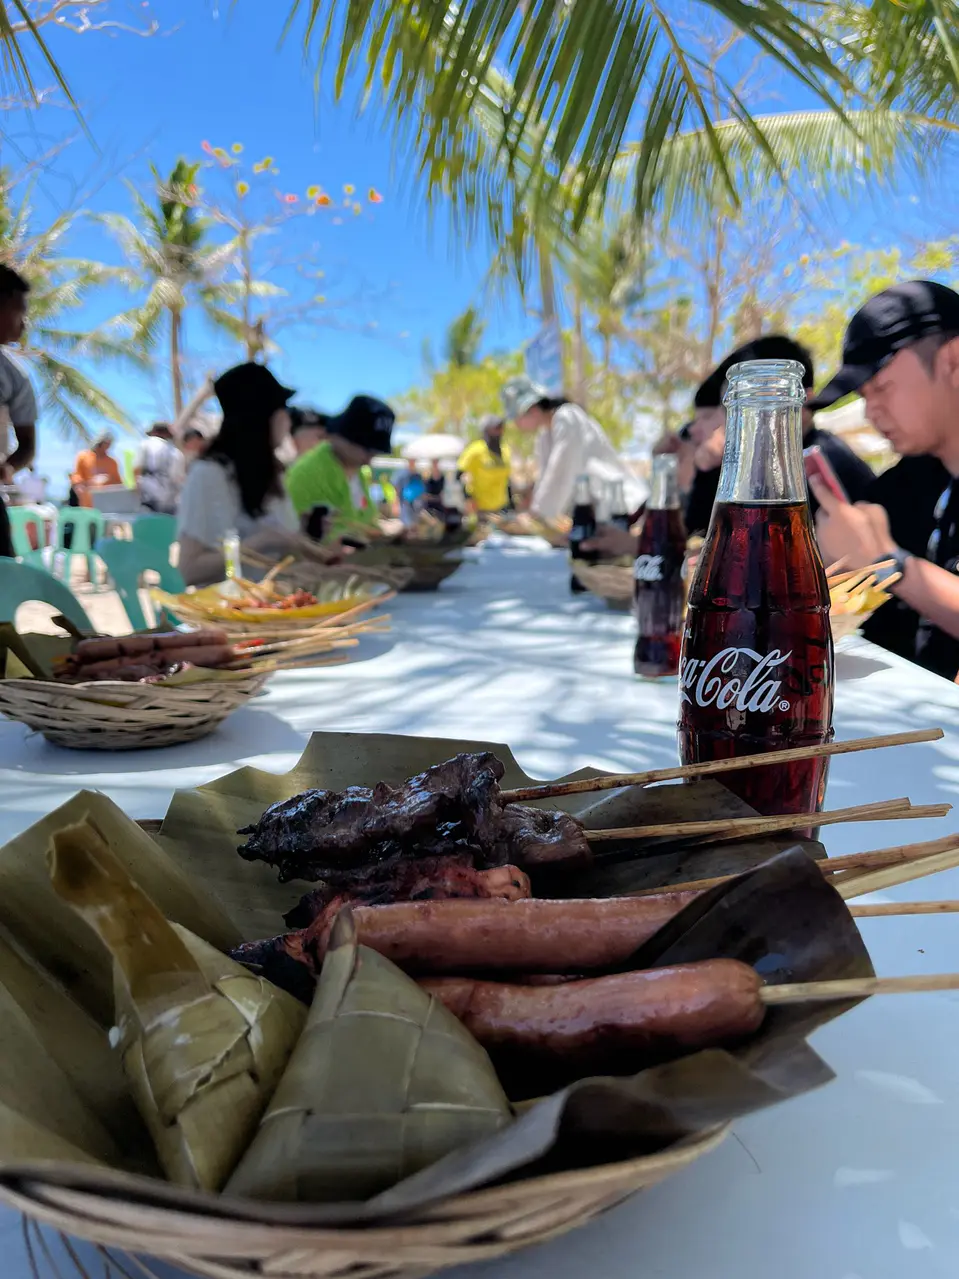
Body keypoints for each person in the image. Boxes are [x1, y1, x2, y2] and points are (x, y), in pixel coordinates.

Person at [811, 279, 959, 681]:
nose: (871, 413)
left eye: (882, 388)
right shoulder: (905, 485)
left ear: (953, 362)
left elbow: (877, 559)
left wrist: (886, 561)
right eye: (863, 396)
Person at [683, 334, 876, 536]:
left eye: (767, 400)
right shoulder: (758, 469)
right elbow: (701, 538)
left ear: (804, 402)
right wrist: (706, 473)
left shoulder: (825, 460)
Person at [176, 361, 302, 587]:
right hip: (226, 612)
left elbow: (285, 553)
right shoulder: (209, 475)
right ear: (259, 417)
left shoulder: (272, 473)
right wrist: (260, 543)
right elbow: (189, 570)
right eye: (281, 409)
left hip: (275, 608)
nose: (287, 419)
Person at [501, 376, 643, 520]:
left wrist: (539, 515)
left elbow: (561, 471)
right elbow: (545, 477)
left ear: (532, 409)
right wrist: (536, 509)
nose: (516, 424)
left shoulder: (567, 417)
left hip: (622, 507)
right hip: (596, 511)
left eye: (517, 417)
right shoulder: (544, 436)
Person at [286, 395, 395, 535]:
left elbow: (364, 521)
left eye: (376, 452)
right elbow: (309, 541)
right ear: (341, 436)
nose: (369, 459)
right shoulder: (308, 475)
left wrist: (385, 537)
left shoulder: (355, 470)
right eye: (366, 449)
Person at [0, 266, 37, 557]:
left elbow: (27, 446)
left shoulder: (13, 377)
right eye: (19, 313)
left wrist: (8, 467)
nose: (24, 324)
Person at [457, 414, 513, 514]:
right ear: (486, 430)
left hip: (502, 507)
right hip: (480, 509)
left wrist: (512, 504)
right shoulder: (475, 450)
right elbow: (459, 475)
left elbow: (507, 480)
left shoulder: (506, 450)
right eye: (496, 428)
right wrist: (468, 498)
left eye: (501, 427)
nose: (499, 431)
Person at [134, 422, 185, 514]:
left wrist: (137, 491)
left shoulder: (146, 444)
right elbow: (178, 479)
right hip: (169, 501)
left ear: (155, 432)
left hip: (148, 498)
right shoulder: (176, 452)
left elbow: (137, 469)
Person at [70, 434, 123, 508]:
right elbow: (77, 476)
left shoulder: (112, 462)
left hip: (107, 502)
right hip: (87, 501)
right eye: (106, 443)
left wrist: (106, 479)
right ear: (99, 443)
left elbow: (118, 482)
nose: (107, 446)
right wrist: (79, 486)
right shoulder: (83, 457)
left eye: (109, 444)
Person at [397, 458, 427, 526]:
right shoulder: (402, 473)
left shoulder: (418, 474)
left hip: (416, 503)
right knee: (407, 523)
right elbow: (398, 488)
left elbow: (421, 489)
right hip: (406, 503)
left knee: (414, 522)